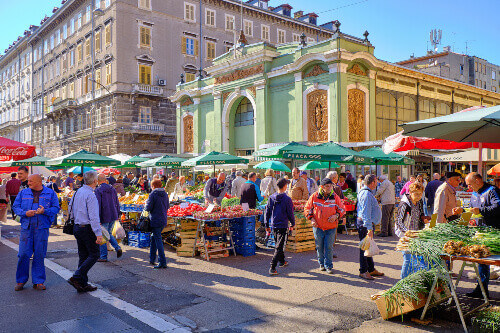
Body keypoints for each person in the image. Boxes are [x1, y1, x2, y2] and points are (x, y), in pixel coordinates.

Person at [13, 174, 60, 291]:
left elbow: (56, 208)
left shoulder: (50, 193)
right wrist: (24, 213)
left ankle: (38, 281)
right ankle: (21, 280)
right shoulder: (23, 193)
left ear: (39, 182)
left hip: (42, 228)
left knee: (39, 254)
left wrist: (45, 211)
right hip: (27, 228)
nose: (28, 183)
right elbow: (15, 207)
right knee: (23, 254)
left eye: (31, 181)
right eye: (28, 181)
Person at [465, 172, 500, 299]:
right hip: (481, 232)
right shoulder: (474, 194)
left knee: (495, 260)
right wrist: (462, 213)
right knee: (482, 262)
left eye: (470, 184)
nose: (469, 187)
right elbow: (470, 209)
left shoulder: (492, 190)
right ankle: (481, 289)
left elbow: (498, 207)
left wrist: (481, 211)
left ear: (478, 181)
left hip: (494, 232)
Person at [67, 171, 103, 293]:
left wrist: (75, 219)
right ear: (95, 181)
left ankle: (81, 283)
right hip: (86, 228)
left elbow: (70, 208)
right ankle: (77, 277)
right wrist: (98, 233)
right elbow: (93, 216)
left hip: (77, 226)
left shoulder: (78, 192)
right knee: (94, 254)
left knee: (83, 255)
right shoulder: (90, 195)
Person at [305, 178, 345, 274]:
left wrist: (336, 215)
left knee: (329, 247)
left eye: (331, 186)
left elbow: (342, 209)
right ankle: (321, 264)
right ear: (322, 187)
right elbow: (307, 208)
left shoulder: (335, 197)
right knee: (319, 246)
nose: (329, 188)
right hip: (318, 227)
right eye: (327, 186)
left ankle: (329, 266)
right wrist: (311, 219)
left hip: (331, 227)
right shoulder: (314, 196)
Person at [395, 182, 429, 278]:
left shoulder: (420, 202)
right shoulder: (404, 204)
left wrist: (424, 218)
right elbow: (399, 221)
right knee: (407, 258)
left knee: (415, 258)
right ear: (410, 192)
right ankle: (403, 280)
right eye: (416, 194)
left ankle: (412, 279)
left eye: (420, 194)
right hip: (405, 234)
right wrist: (407, 233)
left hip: (416, 233)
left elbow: (421, 214)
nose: (418, 196)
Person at [357, 174, 384, 280]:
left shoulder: (366, 192)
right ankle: (363, 271)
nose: (377, 183)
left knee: (368, 246)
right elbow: (366, 213)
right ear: (372, 182)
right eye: (376, 181)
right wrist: (369, 228)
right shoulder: (366, 194)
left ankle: (371, 269)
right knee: (364, 247)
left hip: (366, 223)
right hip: (365, 224)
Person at [265, 178, 295, 275]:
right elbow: (290, 213)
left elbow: (267, 212)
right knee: (279, 246)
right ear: (285, 186)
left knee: (279, 243)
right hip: (283, 224)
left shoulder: (271, 197)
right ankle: (272, 267)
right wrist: (293, 223)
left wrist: (266, 225)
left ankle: (282, 261)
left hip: (274, 224)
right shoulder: (287, 199)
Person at [95, 174, 122, 262]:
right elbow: (117, 202)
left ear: (98, 181)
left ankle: (103, 256)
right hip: (113, 214)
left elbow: (98, 205)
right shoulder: (112, 189)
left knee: (103, 235)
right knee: (108, 234)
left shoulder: (98, 190)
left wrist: (97, 218)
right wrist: (118, 213)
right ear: (105, 180)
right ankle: (117, 248)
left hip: (104, 215)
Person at [145, 179, 169, 269]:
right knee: (154, 237)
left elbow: (148, 207)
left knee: (158, 240)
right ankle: (152, 259)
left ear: (153, 186)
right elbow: (167, 206)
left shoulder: (153, 194)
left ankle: (162, 262)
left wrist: (146, 205)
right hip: (163, 219)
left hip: (155, 219)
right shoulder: (165, 194)